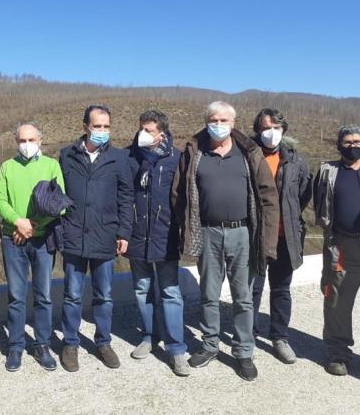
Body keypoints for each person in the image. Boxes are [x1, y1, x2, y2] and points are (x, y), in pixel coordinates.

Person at [172, 101, 279, 381]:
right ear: (206, 121)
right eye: (213, 119)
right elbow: (178, 194)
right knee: (208, 294)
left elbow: (268, 197)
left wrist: (267, 240)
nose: (218, 124)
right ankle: (209, 345)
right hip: (207, 232)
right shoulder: (194, 152)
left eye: (223, 120)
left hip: (243, 233)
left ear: (233, 123)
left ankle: (244, 351)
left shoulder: (249, 153)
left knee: (243, 296)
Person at [58, 105, 133, 372]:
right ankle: (70, 343)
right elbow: (59, 193)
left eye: (106, 126)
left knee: (104, 295)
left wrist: (124, 231)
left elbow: (126, 196)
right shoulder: (66, 155)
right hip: (74, 235)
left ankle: (103, 342)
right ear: (85, 127)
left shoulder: (118, 158)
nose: (102, 131)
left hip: (105, 235)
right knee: (72, 295)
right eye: (97, 126)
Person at [314, 124, 360, 379]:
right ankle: (338, 354)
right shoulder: (327, 171)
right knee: (337, 300)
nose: (352, 146)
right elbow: (319, 204)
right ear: (338, 144)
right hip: (342, 245)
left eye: (357, 141)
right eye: (347, 142)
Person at [125, 109, 189, 376]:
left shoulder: (176, 159)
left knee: (170, 293)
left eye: (148, 129)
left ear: (161, 133)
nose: (143, 133)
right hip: (137, 236)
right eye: (141, 128)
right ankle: (150, 337)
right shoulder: (129, 157)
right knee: (142, 289)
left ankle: (177, 349)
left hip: (166, 236)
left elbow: (185, 199)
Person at [0, 121, 64, 372]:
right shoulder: (7, 167)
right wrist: (18, 222)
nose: (26, 145)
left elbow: (60, 202)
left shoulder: (51, 165)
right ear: (16, 143)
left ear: (40, 140)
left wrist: (33, 226)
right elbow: (0, 200)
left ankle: (42, 344)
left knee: (44, 295)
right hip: (12, 238)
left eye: (31, 140)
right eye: (22, 141)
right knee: (16, 295)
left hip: (42, 239)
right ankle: (15, 346)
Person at [250, 109, 312, 364]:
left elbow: (304, 194)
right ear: (257, 130)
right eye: (266, 127)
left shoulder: (295, 160)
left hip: (286, 236)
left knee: (281, 289)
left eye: (276, 126)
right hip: (255, 235)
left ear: (284, 129)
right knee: (252, 288)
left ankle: (280, 337)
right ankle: (248, 334)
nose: (271, 132)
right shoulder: (248, 155)